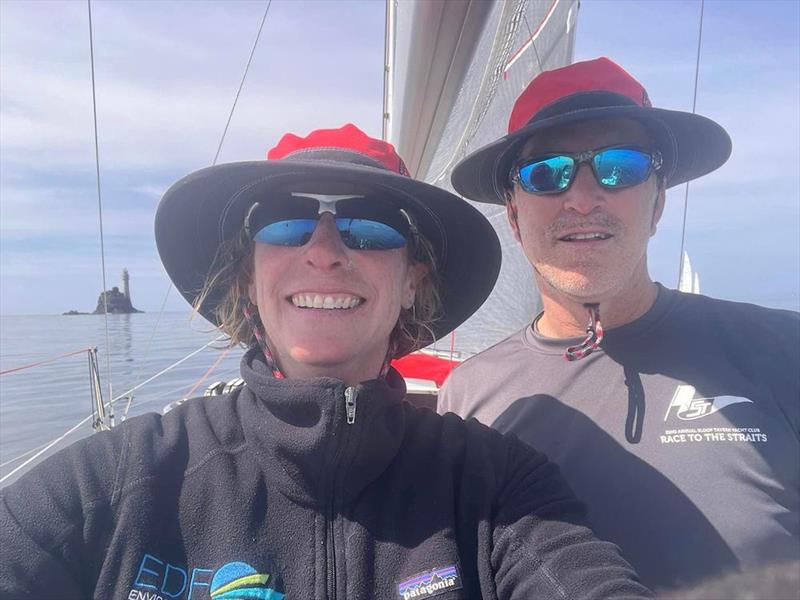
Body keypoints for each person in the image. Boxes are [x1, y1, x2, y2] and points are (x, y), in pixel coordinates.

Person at [0, 124, 652, 599]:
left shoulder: (498, 488)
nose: (324, 249)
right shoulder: (122, 479)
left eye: (370, 227)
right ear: (248, 276)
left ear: (413, 282)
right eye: (285, 222)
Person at [438, 57, 800, 589]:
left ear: (657, 202)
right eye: (547, 174)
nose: (582, 198)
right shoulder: (467, 399)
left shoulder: (784, 351)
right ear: (514, 217)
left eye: (620, 166)